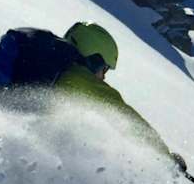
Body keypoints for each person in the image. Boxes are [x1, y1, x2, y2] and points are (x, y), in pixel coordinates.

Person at [55, 22, 187, 172]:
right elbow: (128, 119)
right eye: (104, 68)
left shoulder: (56, 71)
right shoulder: (83, 80)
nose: (104, 76)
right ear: (93, 59)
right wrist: (165, 157)